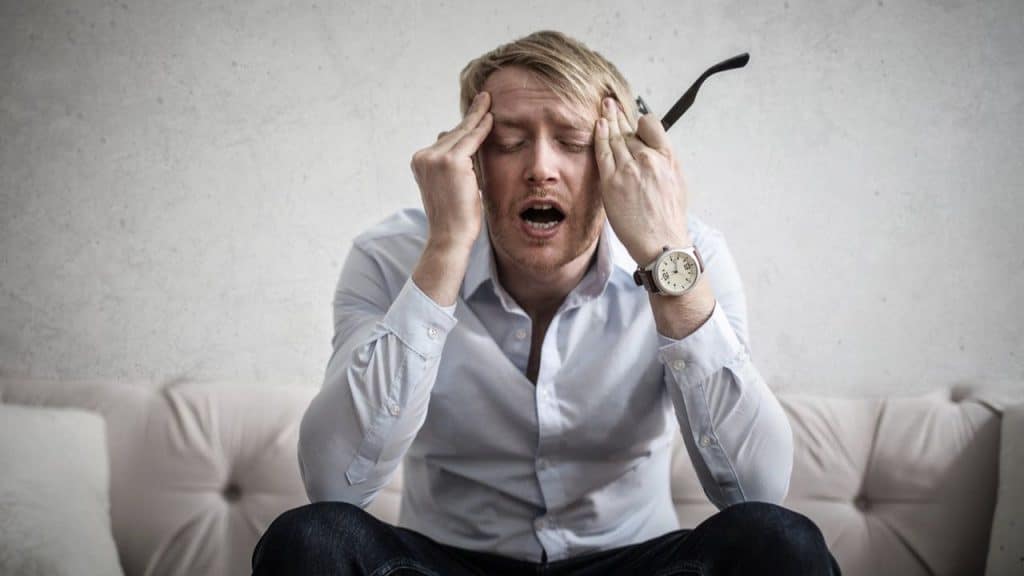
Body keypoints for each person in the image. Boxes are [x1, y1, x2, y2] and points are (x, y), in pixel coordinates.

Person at [253, 30, 840, 576]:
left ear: (621, 162)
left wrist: (666, 259)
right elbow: (335, 485)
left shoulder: (692, 256)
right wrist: (445, 251)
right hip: (447, 562)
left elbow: (756, 490)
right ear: (473, 161)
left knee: (777, 540)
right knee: (312, 539)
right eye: (508, 143)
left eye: (575, 142)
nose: (540, 168)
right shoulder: (388, 257)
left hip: (632, 561)